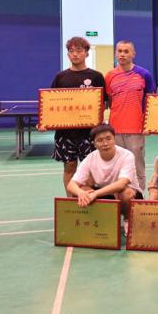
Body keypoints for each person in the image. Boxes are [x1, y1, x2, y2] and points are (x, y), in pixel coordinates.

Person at [48, 36, 106, 196]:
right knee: (69, 168)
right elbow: (51, 102)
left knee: (91, 170)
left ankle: (90, 199)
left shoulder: (96, 76)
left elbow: (104, 103)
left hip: (89, 133)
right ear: (68, 54)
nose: (75, 54)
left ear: (86, 53)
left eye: (79, 50)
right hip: (65, 133)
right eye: (71, 51)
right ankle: (70, 202)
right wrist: (46, 122)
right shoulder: (60, 77)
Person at [66, 124, 143, 230]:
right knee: (80, 190)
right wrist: (81, 193)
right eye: (100, 140)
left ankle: (128, 220)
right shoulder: (90, 158)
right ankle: (95, 220)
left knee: (127, 193)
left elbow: (121, 184)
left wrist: (95, 194)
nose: (105, 143)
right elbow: (71, 185)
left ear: (114, 139)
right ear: (94, 144)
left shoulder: (127, 155)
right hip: (104, 194)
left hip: (127, 195)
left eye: (108, 138)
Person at [105, 40, 155, 192]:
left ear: (133, 54)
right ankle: (119, 198)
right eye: (119, 51)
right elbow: (110, 101)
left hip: (136, 130)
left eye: (126, 51)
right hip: (115, 130)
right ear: (115, 53)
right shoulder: (109, 76)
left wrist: (147, 125)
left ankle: (138, 197)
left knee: (137, 167)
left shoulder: (144, 74)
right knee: (117, 167)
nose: (122, 54)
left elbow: (150, 102)